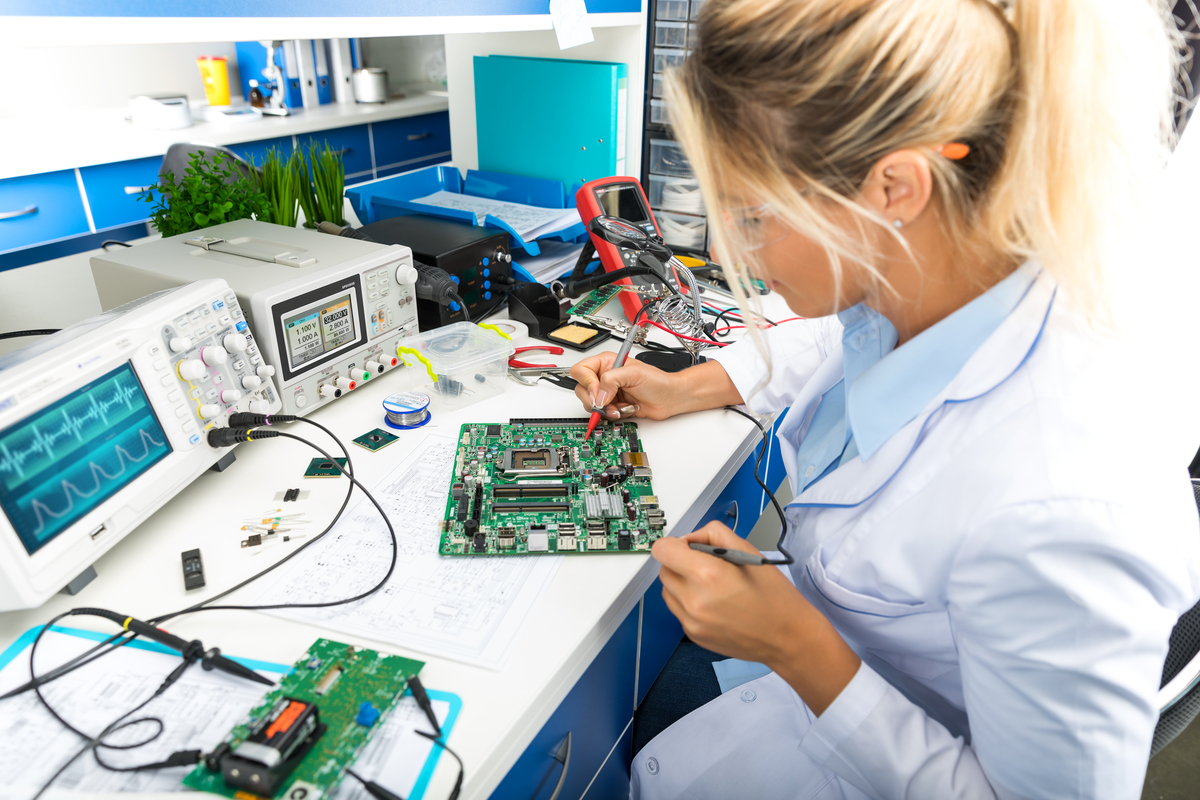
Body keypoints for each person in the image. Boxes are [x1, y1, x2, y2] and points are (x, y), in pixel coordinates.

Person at [569, 0, 1200, 797]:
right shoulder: (954, 275)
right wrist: (687, 385)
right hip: (791, 707)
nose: (730, 253)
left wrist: (799, 647)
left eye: (754, 216)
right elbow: (839, 342)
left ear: (894, 187)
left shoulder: (1064, 501)